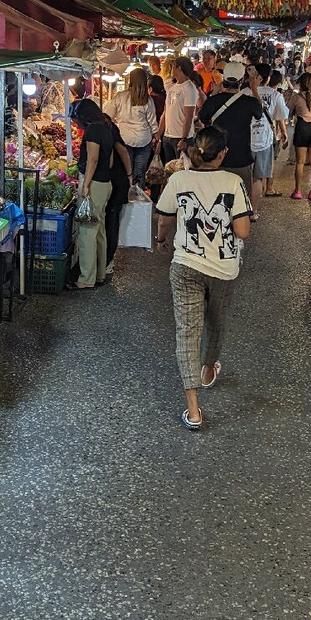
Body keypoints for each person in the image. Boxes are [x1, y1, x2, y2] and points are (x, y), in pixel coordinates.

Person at [155, 126, 252, 430]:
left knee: (188, 331)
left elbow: (164, 218)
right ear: (223, 154)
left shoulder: (179, 179)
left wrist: (161, 240)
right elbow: (243, 231)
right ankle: (209, 368)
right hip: (223, 269)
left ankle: (194, 410)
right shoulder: (233, 182)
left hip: (186, 265)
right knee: (217, 320)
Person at [197, 63, 264, 198]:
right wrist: (254, 88)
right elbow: (259, 113)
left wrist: (215, 92)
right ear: (242, 80)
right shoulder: (249, 102)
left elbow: (203, 118)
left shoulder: (212, 101)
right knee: (241, 196)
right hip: (241, 158)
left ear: (224, 79)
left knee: (215, 198)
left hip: (215, 157)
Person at [71, 99, 114, 290]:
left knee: (87, 230)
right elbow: (109, 160)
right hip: (105, 183)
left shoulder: (93, 130)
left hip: (95, 184)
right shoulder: (106, 127)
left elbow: (93, 159)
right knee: (99, 230)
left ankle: (86, 278)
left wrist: (86, 184)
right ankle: (99, 274)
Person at [104, 67, 157, 187]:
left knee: (127, 171)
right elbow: (153, 123)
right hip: (144, 140)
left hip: (125, 139)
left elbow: (108, 116)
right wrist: (157, 137)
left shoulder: (120, 96)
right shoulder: (148, 100)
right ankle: (138, 195)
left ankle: (127, 194)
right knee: (140, 173)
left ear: (130, 80)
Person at [248, 64, 289, 211]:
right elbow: (282, 115)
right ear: (268, 78)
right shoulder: (275, 94)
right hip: (264, 140)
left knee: (245, 176)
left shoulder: (245, 92)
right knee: (258, 178)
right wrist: (283, 132)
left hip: (246, 138)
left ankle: (242, 208)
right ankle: (254, 211)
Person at [102, 115, 134, 277]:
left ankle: (108, 260)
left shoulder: (106, 135)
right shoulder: (110, 133)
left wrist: (129, 176)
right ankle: (107, 259)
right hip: (116, 180)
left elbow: (123, 153)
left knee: (111, 220)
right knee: (111, 220)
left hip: (115, 181)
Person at [155, 56, 199, 163]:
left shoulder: (189, 89)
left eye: (173, 67)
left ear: (179, 68)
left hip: (180, 137)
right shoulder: (172, 88)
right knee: (169, 168)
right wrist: (159, 134)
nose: (171, 69)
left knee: (181, 168)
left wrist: (184, 138)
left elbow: (188, 116)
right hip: (168, 136)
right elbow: (166, 112)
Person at [288, 72, 311, 200]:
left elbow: (288, 111)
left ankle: (297, 191)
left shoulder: (296, 97)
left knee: (300, 162)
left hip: (302, 127)